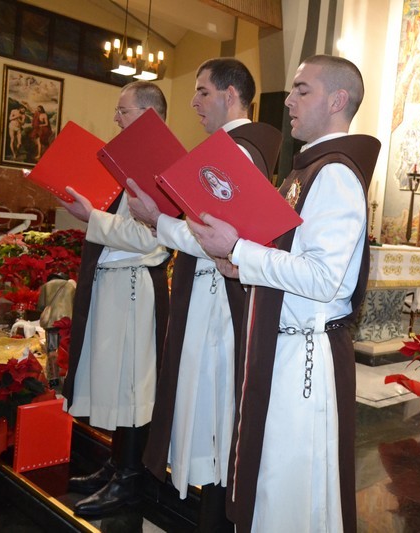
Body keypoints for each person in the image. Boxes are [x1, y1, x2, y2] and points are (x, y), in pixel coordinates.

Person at [188, 54, 381, 533]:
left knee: (292, 486)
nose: (289, 100)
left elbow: (323, 278)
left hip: (306, 357)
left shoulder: (335, 175)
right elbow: (286, 258)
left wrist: (240, 250)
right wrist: (239, 264)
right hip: (285, 348)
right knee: (274, 482)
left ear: (337, 100)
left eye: (302, 90)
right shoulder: (308, 169)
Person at [131, 58, 281, 532]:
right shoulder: (232, 149)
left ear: (230, 95)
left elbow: (214, 238)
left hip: (220, 307)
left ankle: (215, 519)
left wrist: (158, 220)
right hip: (210, 299)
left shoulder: (240, 153)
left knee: (217, 418)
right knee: (210, 418)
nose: (193, 102)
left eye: (202, 91)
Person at [59, 81, 170, 518]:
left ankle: (130, 477)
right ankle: (115, 464)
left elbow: (151, 238)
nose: (115, 118)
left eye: (123, 111)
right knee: (115, 380)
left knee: (132, 385)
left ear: (147, 115)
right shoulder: (126, 161)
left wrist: (93, 217)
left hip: (135, 288)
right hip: (113, 283)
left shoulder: (160, 163)